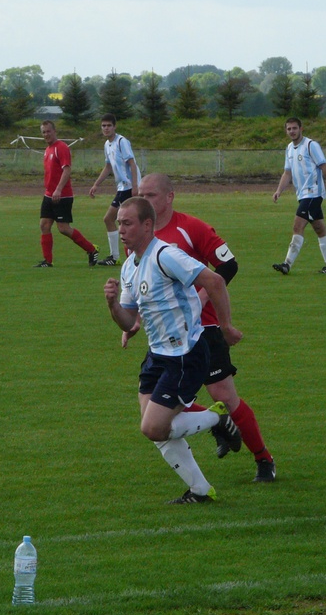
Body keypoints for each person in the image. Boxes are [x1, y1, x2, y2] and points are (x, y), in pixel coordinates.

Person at [136, 174, 276, 482]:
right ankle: (217, 422)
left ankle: (264, 459)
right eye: (140, 195)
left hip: (204, 326)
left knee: (223, 393)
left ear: (170, 197)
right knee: (157, 402)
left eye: (151, 195)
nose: (144, 201)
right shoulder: (139, 235)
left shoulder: (191, 227)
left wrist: (200, 299)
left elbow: (228, 265)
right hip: (166, 334)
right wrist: (135, 321)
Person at [104, 196, 243, 505]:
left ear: (147, 225)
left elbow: (215, 281)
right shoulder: (129, 266)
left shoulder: (166, 255)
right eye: (119, 223)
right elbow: (128, 321)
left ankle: (217, 418)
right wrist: (113, 305)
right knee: (155, 428)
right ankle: (200, 491)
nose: (120, 229)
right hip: (157, 356)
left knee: (153, 428)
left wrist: (225, 326)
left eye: (127, 223)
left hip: (185, 356)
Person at [271, 117, 326, 275]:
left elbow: (325, 168)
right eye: (289, 129)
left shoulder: (311, 145)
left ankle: (287, 264)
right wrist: (279, 191)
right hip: (302, 195)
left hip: (313, 193)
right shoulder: (289, 148)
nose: (292, 131)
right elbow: (287, 173)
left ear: (301, 129)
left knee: (298, 226)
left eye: (294, 128)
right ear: (286, 131)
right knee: (319, 228)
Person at [35, 120, 100, 268]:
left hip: (62, 195)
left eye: (48, 131)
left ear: (54, 131)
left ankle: (91, 249)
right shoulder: (48, 149)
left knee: (63, 228)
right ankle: (47, 261)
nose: (46, 134)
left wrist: (58, 189)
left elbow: (67, 169)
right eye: (43, 132)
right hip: (49, 195)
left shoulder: (61, 147)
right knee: (44, 225)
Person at [88, 113, 140, 266]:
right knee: (116, 219)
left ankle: (123, 256)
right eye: (103, 126)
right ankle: (118, 256)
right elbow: (108, 167)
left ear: (114, 126)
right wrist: (96, 184)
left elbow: (132, 164)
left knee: (116, 219)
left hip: (128, 187)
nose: (106, 128)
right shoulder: (107, 144)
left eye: (109, 125)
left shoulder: (122, 142)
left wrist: (135, 186)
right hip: (122, 187)